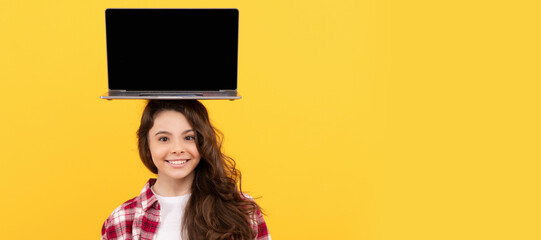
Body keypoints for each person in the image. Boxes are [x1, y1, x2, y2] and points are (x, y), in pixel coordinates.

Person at [102, 100, 270, 240]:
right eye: (164, 138)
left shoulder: (242, 210)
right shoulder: (122, 219)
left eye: (189, 137)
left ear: (203, 143)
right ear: (147, 146)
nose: (177, 148)